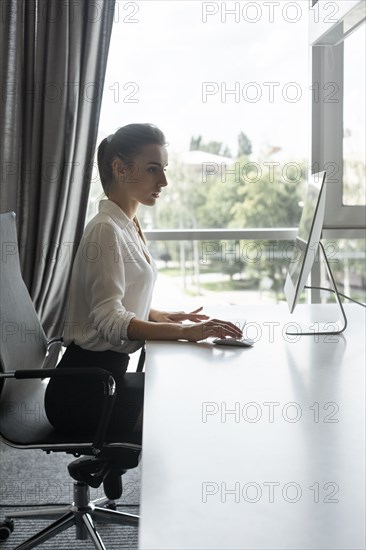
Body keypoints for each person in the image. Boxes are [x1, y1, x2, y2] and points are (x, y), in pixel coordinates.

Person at [45, 123, 242, 444]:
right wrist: (185, 333)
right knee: (187, 414)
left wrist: (158, 315)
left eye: (163, 169)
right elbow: (109, 321)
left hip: (107, 378)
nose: (163, 181)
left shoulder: (127, 225)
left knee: (191, 399)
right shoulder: (105, 230)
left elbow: (113, 298)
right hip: (84, 392)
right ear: (120, 169)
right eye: (153, 170)